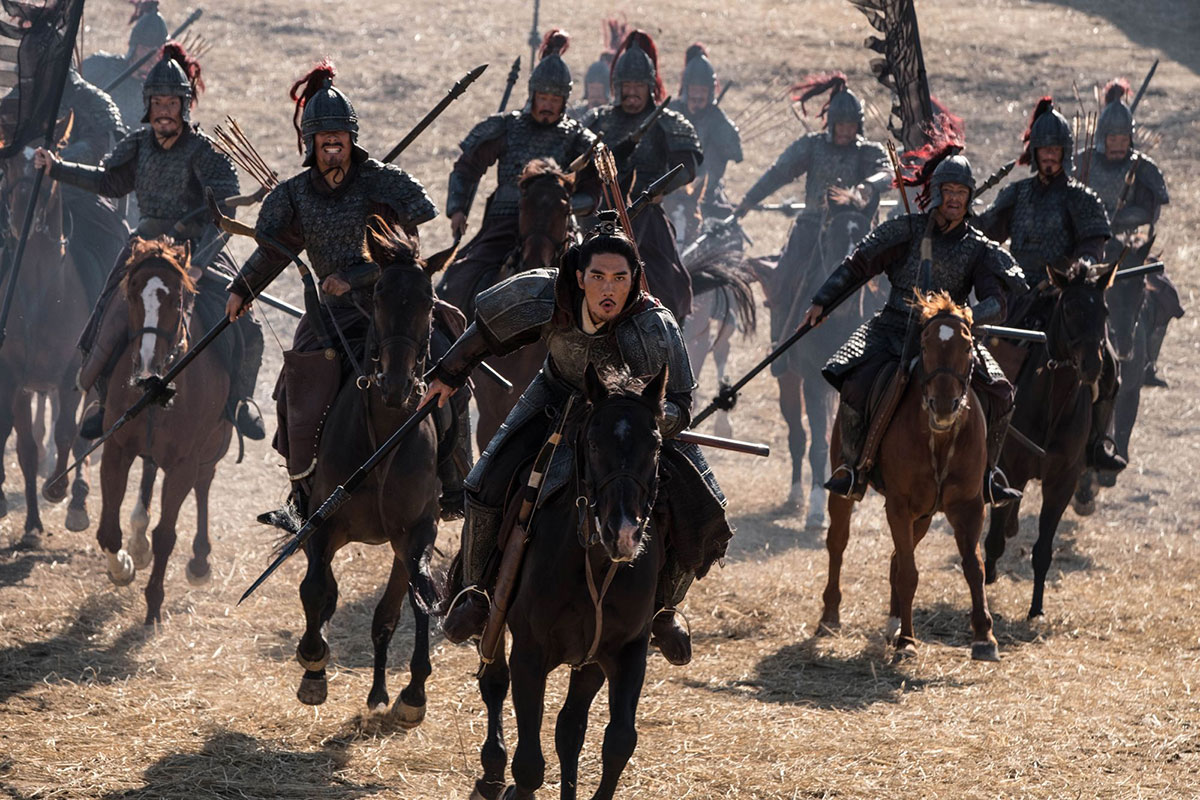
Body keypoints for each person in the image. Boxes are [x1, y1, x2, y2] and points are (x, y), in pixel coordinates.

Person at [429, 213, 732, 666]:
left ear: (634, 279)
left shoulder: (655, 325)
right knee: (484, 481)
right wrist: (449, 373)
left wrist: (646, 418)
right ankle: (476, 595)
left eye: (619, 278)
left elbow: (682, 401)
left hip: (631, 417)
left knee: (704, 504)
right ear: (579, 276)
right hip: (554, 396)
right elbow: (487, 332)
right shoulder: (546, 295)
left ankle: (664, 610)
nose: (608, 289)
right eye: (598, 277)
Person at [221, 62, 472, 521]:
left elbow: (409, 253)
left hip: (394, 306)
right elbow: (275, 251)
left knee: (450, 367)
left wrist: (354, 277)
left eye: (339, 136)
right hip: (333, 315)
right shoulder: (297, 196)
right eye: (324, 138)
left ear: (351, 139)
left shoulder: (382, 184)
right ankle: (301, 495)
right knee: (295, 386)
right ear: (312, 143)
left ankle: (456, 483)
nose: (332, 144)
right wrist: (243, 288)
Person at [35, 42, 264, 442]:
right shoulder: (138, 145)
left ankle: (238, 401)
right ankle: (101, 399)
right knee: (102, 313)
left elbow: (225, 214)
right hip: (143, 247)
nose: (164, 111)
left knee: (245, 323)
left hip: (196, 249)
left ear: (184, 106)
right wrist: (58, 169)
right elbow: (108, 182)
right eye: (158, 103)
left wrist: (199, 262)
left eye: (171, 103)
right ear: (148, 105)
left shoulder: (205, 153)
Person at [801, 150, 1026, 506]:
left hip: (951, 339)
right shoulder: (906, 231)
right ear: (937, 193)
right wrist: (823, 300)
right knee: (855, 383)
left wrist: (966, 316)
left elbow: (997, 302)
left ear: (969, 197)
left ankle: (987, 476)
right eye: (948, 191)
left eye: (961, 193)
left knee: (1001, 393)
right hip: (893, 327)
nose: (954, 199)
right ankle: (852, 468)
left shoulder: (978, 248)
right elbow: (859, 264)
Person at [731, 72, 892, 503]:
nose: (845, 131)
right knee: (784, 279)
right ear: (830, 123)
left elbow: (887, 172)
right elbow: (779, 171)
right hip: (811, 230)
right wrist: (748, 200)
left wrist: (868, 186)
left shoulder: (868, 153)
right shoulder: (813, 147)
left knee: (887, 288)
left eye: (851, 125)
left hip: (856, 232)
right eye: (840, 125)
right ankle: (784, 347)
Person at [976, 96, 1124, 473]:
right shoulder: (1016, 195)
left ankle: (1095, 444)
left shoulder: (1080, 199)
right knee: (978, 357)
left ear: (1065, 153)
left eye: (1055, 150)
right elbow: (987, 230)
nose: (1049, 157)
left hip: (1066, 299)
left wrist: (1079, 269)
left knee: (1109, 367)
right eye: (1044, 150)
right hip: (1020, 298)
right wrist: (958, 214)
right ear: (1035, 152)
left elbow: (1093, 243)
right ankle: (977, 439)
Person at [437, 29, 599, 315]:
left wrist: (562, 206)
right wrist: (458, 209)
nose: (547, 105)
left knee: (595, 285)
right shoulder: (508, 127)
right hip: (505, 221)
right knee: (458, 281)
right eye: (543, 98)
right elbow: (467, 166)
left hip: (558, 228)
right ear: (532, 95)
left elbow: (594, 188)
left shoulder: (578, 138)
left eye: (554, 100)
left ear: (564, 101)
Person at [582, 29, 702, 322]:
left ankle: (666, 333)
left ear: (649, 86)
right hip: (601, 217)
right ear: (617, 86)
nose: (632, 92)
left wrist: (660, 190)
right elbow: (581, 166)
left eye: (638, 85)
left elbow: (687, 166)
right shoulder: (598, 120)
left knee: (666, 283)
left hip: (647, 213)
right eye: (627, 85)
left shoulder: (666, 122)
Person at [1077, 79, 1180, 387]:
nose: (1119, 144)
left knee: (1165, 295)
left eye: (1124, 138)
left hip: (1127, 247)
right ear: (1103, 138)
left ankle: (1148, 363)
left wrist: (1121, 217)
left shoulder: (1140, 166)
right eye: (1114, 138)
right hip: (1090, 245)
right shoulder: (1082, 161)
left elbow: (1151, 208)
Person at [665, 43, 742, 239]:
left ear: (710, 91)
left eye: (703, 92)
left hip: (707, 195)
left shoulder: (717, 120)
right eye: (694, 91)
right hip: (668, 191)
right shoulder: (670, 113)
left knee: (730, 236)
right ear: (686, 89)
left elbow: (733, 152)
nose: (698, 97)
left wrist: (716, 129)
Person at [82, 0, 170, 129]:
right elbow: (67, 92)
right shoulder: (101, 67)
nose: (151, 58)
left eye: (157, 52)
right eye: (145, 49)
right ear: (134, 47)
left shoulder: (158, 94)